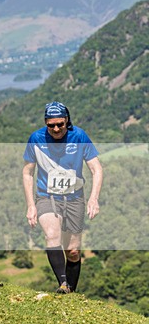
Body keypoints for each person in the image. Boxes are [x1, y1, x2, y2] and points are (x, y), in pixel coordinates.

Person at [22, 101, 103, 294]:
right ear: (46, 123)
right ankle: (63, 284)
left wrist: (94, 198)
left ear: (67, 120)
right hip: (46, 196)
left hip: (74, 198)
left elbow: (96, 169)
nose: (56, 128)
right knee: (52, 236)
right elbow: (27, 173)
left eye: (60, 124)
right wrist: (31, 205)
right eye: (51, 125)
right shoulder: (36, 138)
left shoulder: (79, 136)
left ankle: (70, 293)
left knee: (73, 251)